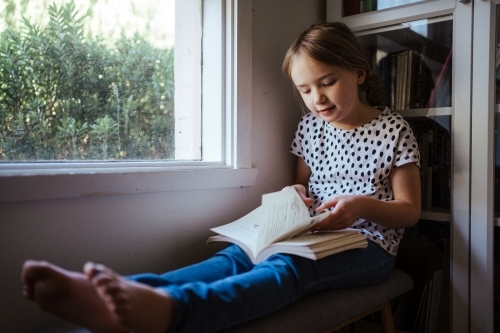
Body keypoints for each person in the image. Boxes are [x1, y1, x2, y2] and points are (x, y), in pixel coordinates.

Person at [21, 22, 421, 333]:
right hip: (310, 232)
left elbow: (409, 211)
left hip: (369, 245)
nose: (317, 98)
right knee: (233, 257)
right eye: (305, 89)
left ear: (359, 73)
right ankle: (113, 297)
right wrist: (295, 193)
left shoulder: (393, 129)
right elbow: (302, 184)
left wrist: (362, 206)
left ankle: (175, 312)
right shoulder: (310, 127)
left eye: (328, 81)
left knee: (284, 269)